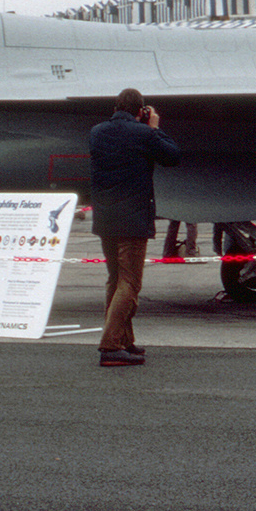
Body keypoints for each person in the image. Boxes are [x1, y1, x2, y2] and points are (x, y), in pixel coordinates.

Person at [88, 88, 181, 367]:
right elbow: (173, 156)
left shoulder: (97, 132)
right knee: (130, 283)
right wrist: (155, 128)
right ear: (141, 111)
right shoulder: (144, 133)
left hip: (105, 218)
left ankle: (123, 339)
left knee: (115, 281)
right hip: (132, 219)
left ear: (116, 106)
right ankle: (110, 346)